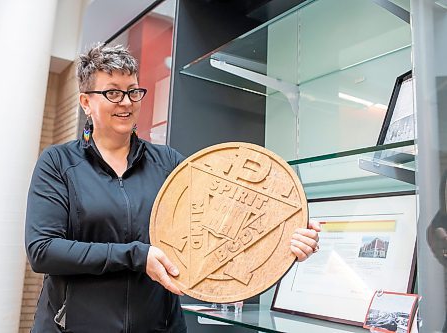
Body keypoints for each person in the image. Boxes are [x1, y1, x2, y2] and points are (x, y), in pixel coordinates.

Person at [25, 43, 321, 333]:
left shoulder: (167, 162)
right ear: (86, 102)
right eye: (113, 92)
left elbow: (220, 220)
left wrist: (287, 234)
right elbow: (43, 250)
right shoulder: (59, 163)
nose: (126, 102)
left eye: (133, 91)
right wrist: (137, 256)